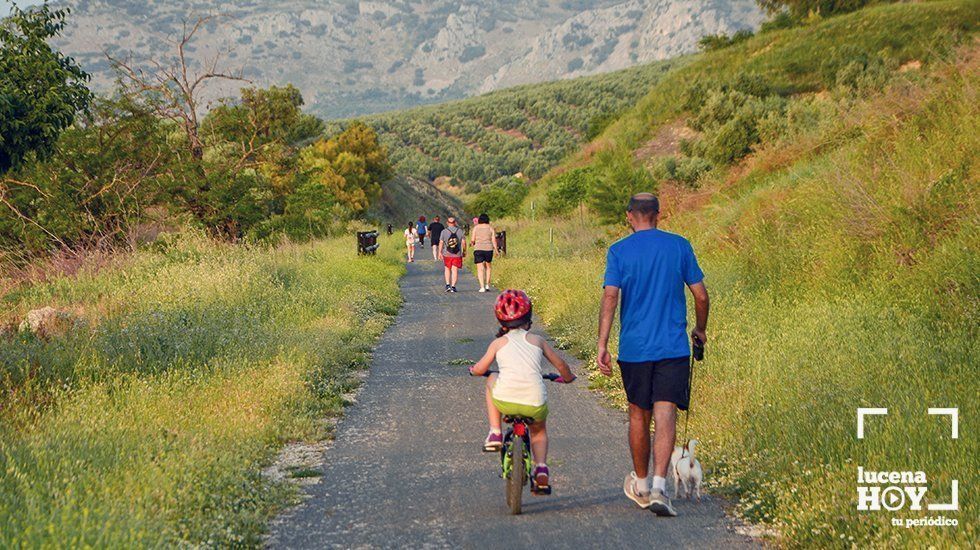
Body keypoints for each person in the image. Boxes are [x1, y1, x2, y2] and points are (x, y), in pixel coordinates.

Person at [596, 193, 709, 517]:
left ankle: (642, 484)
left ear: (630, 216)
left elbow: (610, 297)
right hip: (673, 347)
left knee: (638, 414)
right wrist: (700, 330)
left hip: (634, 348)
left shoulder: (619, 251)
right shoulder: (679, 246)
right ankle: (661, 486)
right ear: (658, 215)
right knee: (666, 412)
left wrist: (603, 343)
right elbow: (701, 296)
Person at [469, 289, 576, 492]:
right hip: (534, 402)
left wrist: (473, 370)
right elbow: (561, 365)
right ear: (529, 319)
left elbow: (481, 369)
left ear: (501, 322)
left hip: (505, 400)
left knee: (492, 377)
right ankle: (541, 468)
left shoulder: (498, 343)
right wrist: (568, 378)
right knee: (538, 432)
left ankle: (495, 433)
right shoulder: (538, 341)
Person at [470, 213, 499, 292]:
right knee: (488, 267)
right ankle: (487, 285)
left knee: (480, 268)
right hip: (488, 249)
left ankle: (482, 287)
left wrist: (472, 243)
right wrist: (496, 250)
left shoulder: (476, 228)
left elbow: (473, 240)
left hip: (478, 249)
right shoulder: (490, 228)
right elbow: (493, 240)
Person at [438, 217, 466, 293]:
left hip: (447, 253)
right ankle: (453, 286)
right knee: (455, 270)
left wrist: (439, 252)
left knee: (447, 269)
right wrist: (464, 251)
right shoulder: (460, 231)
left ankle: (447, 285)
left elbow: (441, 242)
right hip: (457, 254)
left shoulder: (444, 231)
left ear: (447, 223)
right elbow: (463, 242)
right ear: (455, 222)